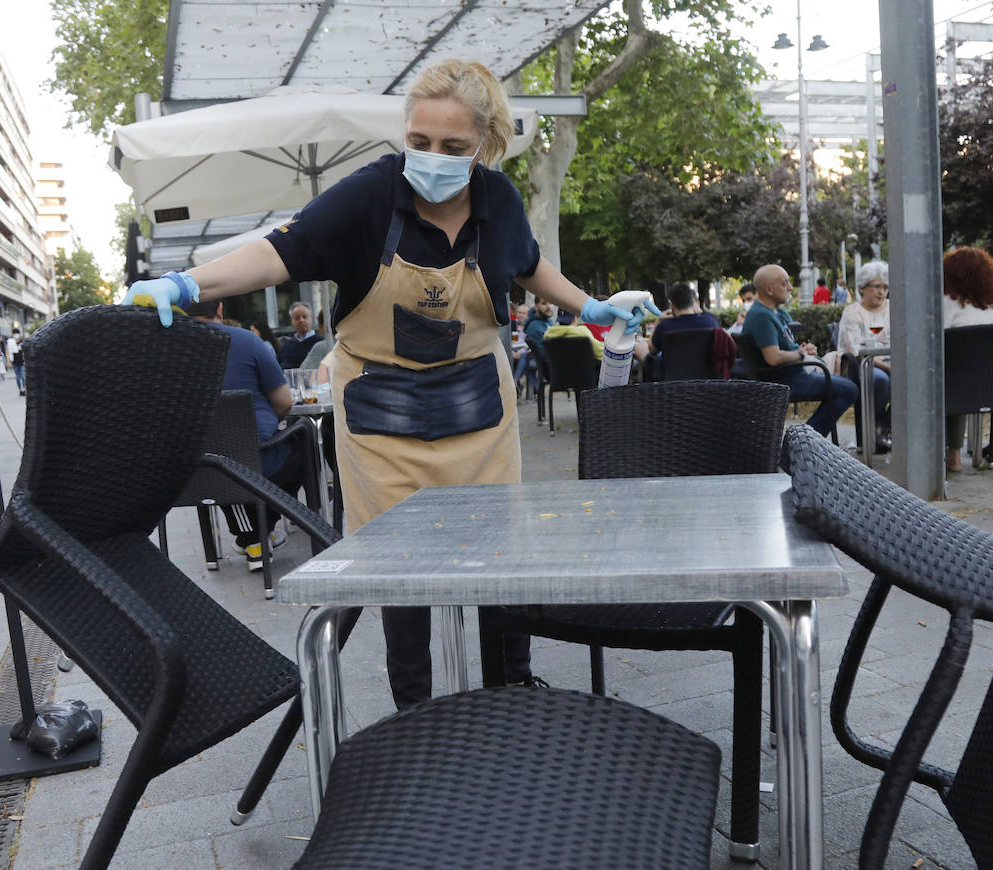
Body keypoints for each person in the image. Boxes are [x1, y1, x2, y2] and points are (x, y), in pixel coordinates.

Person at [125, 57, 656, 709]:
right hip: (381, 418)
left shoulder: (500, 203)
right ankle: (415, 704)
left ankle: (511, 685)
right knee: (400, 571)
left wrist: (589, 307)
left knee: (500, 558)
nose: (432, 157)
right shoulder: (370, 195)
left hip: (479, 411)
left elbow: (527, 264)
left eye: (453, 147)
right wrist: (188, 282)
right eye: (419, 142)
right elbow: (281, 249)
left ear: (485, 146)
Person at [186, 299, 302, 568]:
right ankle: (257, 535)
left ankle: (253, 537)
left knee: (221, 453)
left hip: (198, 468)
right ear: (219, 310)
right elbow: (284, 402)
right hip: (257, 458)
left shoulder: (168, 348)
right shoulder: (248, 341)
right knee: (298, 443)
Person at [743, 264, 858, 439]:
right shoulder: (761, 316)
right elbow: (773, 357)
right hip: (784, 380)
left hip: (791, 374)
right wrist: (800, 354)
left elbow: (783, 347)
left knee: (846, 388)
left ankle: (805, 440)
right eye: (784, 283)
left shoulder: (774, 313)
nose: (789, 288)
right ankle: (803, 442)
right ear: (769, 289)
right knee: (848, 390)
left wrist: (801, 349)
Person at [942, 246, 993, 471]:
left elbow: (931, 340)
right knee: (958, 376)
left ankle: (951, 454)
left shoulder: (945, 302)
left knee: (946, 377)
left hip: (955, 386)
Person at [835, 261, 892, 452]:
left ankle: (885, 428)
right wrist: (890, 367)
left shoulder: (893, 309)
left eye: (885, 287)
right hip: (859, 366)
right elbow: (857, 350)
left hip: (891, 363)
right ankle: (879, 430)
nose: (881, 292)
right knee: (880, 380)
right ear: (862, 288)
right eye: (877, 287)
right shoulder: (852, 312)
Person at [276, 301, 323, 368]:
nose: (301, 320)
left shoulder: (321, 342)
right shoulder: (285, 346)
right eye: (297, 318)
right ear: (292, 321)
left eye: (304, 316)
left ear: (311, 318)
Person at [5, 325, 26, 395]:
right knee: (17, 377)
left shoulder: (22, 342)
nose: (16, 335)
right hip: (14, 362)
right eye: (14, 334)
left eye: (17, 333)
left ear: (19, 334)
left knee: (23, 376)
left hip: (22, 362)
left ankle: (24, 388)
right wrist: (8, 362)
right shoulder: (10, 342)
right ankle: (20, 389)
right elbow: (7, 351)